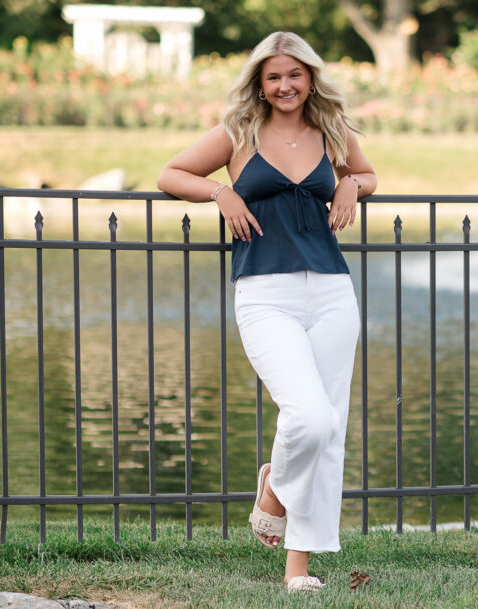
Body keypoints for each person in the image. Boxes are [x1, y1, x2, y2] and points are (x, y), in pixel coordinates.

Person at [157, 31, 376, 592]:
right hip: (264, 292)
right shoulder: (237, 133)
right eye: (274, 76)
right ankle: (275, 484)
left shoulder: (331, 131)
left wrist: (351, 183)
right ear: (259, 81)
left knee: (330, 432)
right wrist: (220, 194)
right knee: (309, 416)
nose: (285, 85)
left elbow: (369, 174)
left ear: (310, 79)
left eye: (295, 75)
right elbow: (171, 173)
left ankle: (298, 569)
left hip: (331, 292)